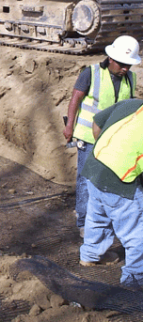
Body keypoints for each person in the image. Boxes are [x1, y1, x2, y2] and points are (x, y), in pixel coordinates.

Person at [63, 35, 140, 236]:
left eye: (129, 66)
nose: (126, 69)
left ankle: (104, 220)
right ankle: (83, 222)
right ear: (111, 59)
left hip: (113, 140)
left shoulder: (131, 78)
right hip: (88, 137)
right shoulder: (91, 73)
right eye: (123, 65)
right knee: (86, 179)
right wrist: (69, 127)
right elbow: (75, 99)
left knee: (109, 180)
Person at [79, 97, 143, 289]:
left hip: (95, 165)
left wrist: (111, 154)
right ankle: (134, 278)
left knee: (97, 215)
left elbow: (97, 124)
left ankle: (90, 255)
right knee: (137, 233)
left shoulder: (132, 104)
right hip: (119, 178)